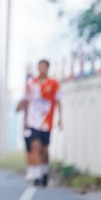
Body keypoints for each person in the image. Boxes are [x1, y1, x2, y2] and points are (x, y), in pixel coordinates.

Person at [20, 59, 62, 187]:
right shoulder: (31, 83)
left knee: (44, 149)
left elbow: (58, 101)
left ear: (48, 68)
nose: (41, 69)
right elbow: (26, 101)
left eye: (44, 67)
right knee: (35, 146)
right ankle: (37, 176)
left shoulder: (54, 83)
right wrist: (25, 120)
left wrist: (60, 118)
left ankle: (44, 171)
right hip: (33, 120)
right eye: (40, 67)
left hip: (46, 121)